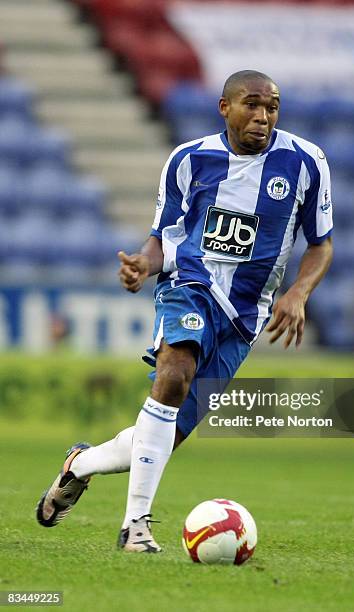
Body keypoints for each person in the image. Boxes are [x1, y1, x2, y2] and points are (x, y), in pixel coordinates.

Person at [36, 70, 334, 552]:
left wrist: (298, 292)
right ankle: (135, 527)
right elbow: (161, 238)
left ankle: (81, 465)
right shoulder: (189, 160)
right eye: (252, 105)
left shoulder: (306, 162)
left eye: (272, 107)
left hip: (244, 316)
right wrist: (143, 266)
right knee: (173, 377)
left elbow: (321, 245)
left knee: (161, 437)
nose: (262, 117)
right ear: (225, 107)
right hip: (189, 284)